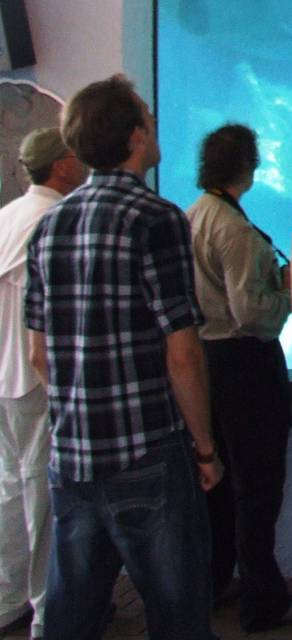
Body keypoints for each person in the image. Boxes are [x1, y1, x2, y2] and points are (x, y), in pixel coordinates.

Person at [24, 76, 222, 640]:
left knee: (72, 616)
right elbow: (181, 351)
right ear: (136, 137)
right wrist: (204, 447)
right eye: (150, 120)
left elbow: (38, 354)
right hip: (147, 453)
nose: (156, 129)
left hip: (71, 456)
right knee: (177, 612)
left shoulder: (50, 225)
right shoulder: (156, 218)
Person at [187, 124, 292, 632]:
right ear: (249, 164)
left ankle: (216, 581)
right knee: (257, 486)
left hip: (206, 363)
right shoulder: (235, 231)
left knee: (218, 482)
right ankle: (264, 600)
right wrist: (290, 290)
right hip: (244, 365)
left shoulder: (193, 215)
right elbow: (253, 314)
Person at [0, 129, 85, 639]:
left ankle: (8, 599)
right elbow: (50, 313)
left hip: (2, 376)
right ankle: (48, 613)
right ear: (61, 166)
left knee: (10, 490)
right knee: (45, 497)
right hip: (37, 377)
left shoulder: (7, 215)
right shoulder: (54, 220)